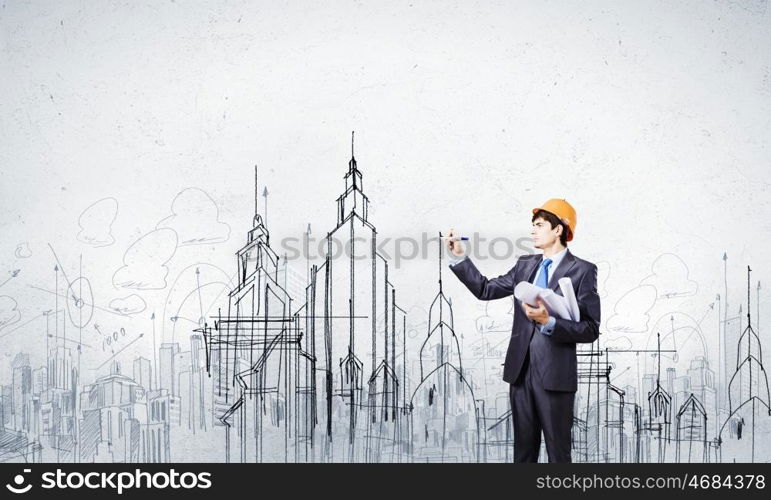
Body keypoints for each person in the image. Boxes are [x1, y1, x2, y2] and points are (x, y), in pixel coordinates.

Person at [446, 199, 600, 463]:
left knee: (558, 455)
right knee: (523, 456)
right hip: (520, 374)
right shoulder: (525, 265)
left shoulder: (583, 270)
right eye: (533, 226)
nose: (533, 231)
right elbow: (485, 289)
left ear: (559, 230)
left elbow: (590, 329)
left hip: (555, 377)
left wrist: (549, 323)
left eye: (539, 225)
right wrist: (459, 257)